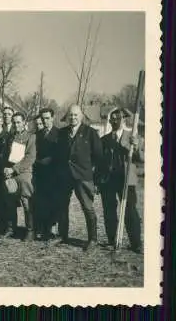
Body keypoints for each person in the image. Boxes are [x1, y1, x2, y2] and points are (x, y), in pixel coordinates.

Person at [55, 104, 103, 251]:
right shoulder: (62, 133)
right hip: (65, 176)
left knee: (87, 207)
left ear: (81, 116)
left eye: (76, 115)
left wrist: (93, 174)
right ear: (67, 117)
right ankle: (63, 236)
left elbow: (98, 156)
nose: (73, 117)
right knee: (62, 206)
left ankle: (92, 240)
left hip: (83, 176)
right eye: (70, 115)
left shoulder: (90, 133)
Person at [97, 108, 143, 253]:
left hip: (126, 180)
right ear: (110, 121)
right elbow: (99, 162)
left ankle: (136, 243)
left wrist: (135, 148)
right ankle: (112, 240)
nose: (116, 121)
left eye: (119, 118)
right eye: (113, 118)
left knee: (130, 211)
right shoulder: (104, 140)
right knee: (109, 211)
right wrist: (98, 181)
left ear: (124, 120)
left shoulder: (133, 138)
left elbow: (142, 159)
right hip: (108, 180)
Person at [2, 112, 36, 240]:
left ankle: (30, 230)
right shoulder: (10, 137)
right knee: (9, 201)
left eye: (19, 122)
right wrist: (6, 167)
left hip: (24, 173)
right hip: (10, 173)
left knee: (26, 202)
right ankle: (11, 228)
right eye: (14, 122)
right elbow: (6, 154)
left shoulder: (31, 137)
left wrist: (15, 169)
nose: (16, 125)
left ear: (24, 123)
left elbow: (30, 157)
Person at [34, 108, 60, 241]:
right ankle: (42, 228)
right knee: (41, 202)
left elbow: (62, 152)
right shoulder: (37, 134)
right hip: (40, 172)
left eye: (48, 118)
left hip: (54, 173)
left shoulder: (59, 134)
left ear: (53, 118)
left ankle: (52, 229)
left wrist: (51, 159)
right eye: (43, 118)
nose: (45, 121)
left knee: (53, 202)